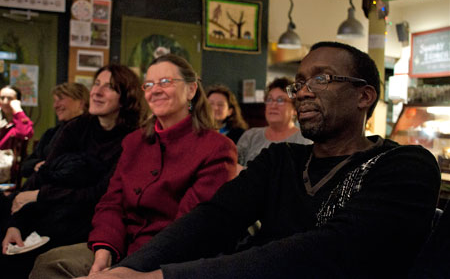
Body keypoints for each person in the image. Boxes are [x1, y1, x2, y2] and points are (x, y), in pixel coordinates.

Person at [73, 42, 441, 279]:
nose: (303, 92)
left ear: (365, 96)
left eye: (322, 78)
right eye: (298, 83)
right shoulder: (281, 159)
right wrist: (126, 270)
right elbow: (212, 219)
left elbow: (329, 250)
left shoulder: (405, 165)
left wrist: (163, 276)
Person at [29, 54, 237, 278]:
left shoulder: (217, 148)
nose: (155, 90)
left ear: (191, 90)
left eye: (165, 82)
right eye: (148, 84)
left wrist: (124, 271)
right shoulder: (134, 142)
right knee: (50, 263)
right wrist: (103, 252)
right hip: (119, 245)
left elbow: (189, 228)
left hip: (169, 260)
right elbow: (111, 203)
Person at [0, 64, 144, 279]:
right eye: (96, 84)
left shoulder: (133, 139)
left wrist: (41, 195)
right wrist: (15, 224)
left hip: (83, 225)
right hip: (48, 215)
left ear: (125, 98)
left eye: (109, 87)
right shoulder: (76, 127)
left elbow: (98, 194)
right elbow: (43, 174)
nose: (96, 91)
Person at [237, 77, 311, 168]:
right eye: (269, 100)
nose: (273, 105)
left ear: (295, 109)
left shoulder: (304, 140)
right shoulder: (250, 136)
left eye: (280, 100)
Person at [20, 82, 90, 178]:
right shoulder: (51, 133)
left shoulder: (91, 131)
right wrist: (37, 165)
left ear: (81, 103)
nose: (55, 106)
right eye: (54, 100)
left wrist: (47, 168)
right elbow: (25, 167)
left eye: (60, 99)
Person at [0, 85, 33, 150]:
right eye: (2, 98)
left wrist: (18, 111)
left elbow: (25, 133)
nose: (5, 102)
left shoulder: (21, 120)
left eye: (10, 98)